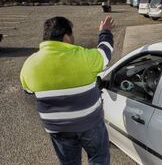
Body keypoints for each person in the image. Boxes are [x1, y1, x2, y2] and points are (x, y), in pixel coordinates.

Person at [20, 16, 115, 165]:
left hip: (58, 129)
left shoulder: (29, 64)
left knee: (69, 162)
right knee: (98, 157)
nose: (73, 38)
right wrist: (105, 32)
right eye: (72, 34)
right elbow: (105, 52)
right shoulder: (84, 57)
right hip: (89, 123)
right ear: (66, 36)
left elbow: (28, 90)